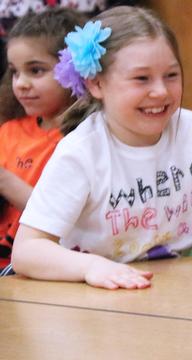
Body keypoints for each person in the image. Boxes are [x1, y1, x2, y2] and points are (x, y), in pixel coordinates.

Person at [11, 6, 192, 290]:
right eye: (142, 78)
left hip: (176, 292)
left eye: (171, 75)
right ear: (96, 84)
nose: (161, 91)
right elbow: (27, 251)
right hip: (93, 300)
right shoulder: (80, 152)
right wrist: (91, 267)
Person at [0, 8, 87, 274]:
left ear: (74, 71)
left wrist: (4, 180)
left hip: (40, 269)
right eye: (15, 72)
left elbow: (63, 221)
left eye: (36, 71)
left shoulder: (83, 140)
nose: (21, 84)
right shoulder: (9, 132)